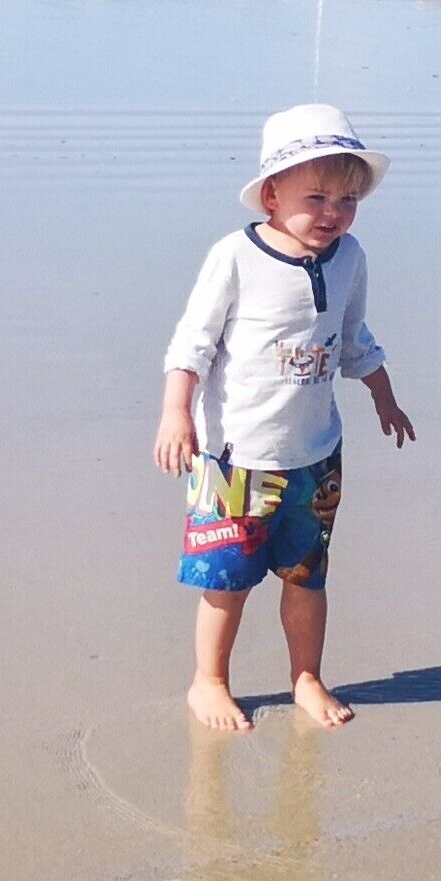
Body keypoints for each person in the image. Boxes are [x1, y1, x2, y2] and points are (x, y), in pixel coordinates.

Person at [154, 105, 416, 733]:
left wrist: (384, 396)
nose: (333, 212)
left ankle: (306, 677)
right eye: (317, 196)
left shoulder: (350, 257)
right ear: (271, 194)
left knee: (307, 577)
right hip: (234, 457)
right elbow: (192, 343)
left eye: (348, 199)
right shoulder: (235, 257)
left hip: (315, 456)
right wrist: (175, 414)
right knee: (228, 582)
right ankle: (209, 681)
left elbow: (353, 338)